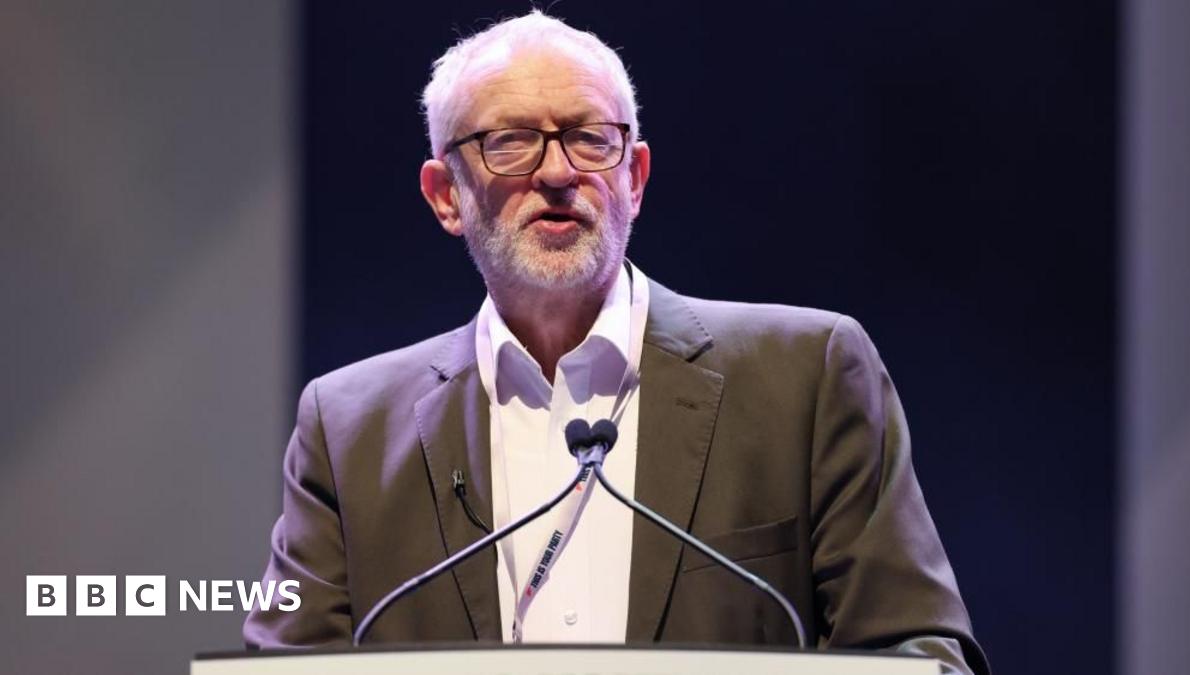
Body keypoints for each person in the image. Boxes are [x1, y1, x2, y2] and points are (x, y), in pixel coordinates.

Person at [244, 11, 989, 674]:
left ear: (634, 176)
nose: (561, 172)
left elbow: (922, 655)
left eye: (589, 138)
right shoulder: (348, 428)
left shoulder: (807, 377)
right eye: (510, 142)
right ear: (446, 194)